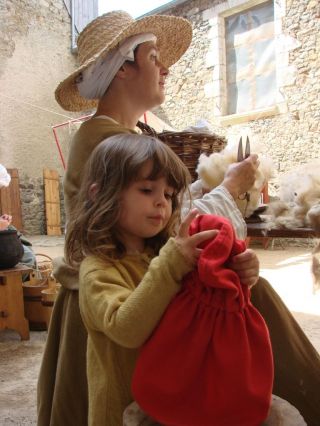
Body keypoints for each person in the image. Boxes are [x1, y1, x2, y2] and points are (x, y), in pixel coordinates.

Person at [37, 10, 320, 426]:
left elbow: (172, 211)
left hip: (147, 277)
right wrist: (229, 189)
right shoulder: (104, 141)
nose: (165, 68)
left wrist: (210, 192)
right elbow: (176, 227)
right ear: (122, 68)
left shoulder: (125, 136)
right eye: (153, 57)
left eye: (163, 193)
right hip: (124, 294)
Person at [66, 133, 221, 425]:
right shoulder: (98, 269)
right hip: (121, 412)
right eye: (147, 190)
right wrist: (172, 265)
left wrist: (240, 272)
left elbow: (205, 304)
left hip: (166, 402)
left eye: (168, 194)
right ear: (100, 194)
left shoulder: (161, 254)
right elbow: (127, 328)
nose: (161, 203)